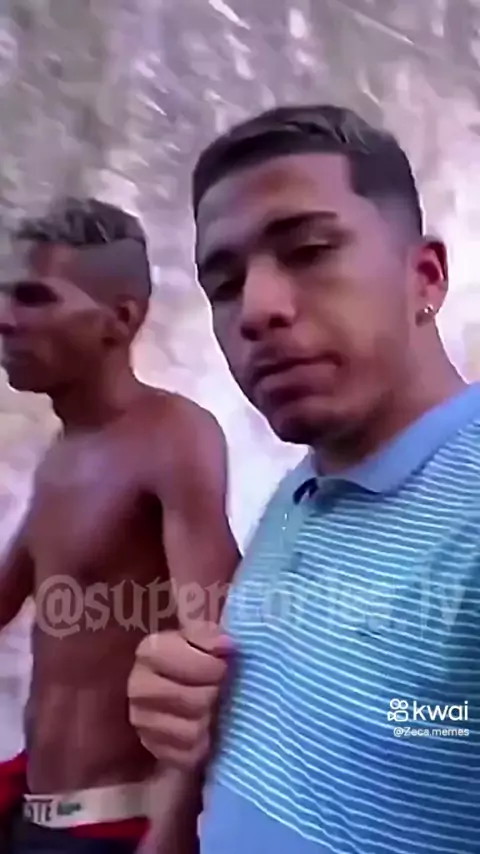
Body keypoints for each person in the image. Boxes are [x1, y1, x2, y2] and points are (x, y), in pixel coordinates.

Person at [128, 104, 480, 854]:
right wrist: (196, 719)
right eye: (224, 286)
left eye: (311, 250)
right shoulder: (298, 491)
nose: (256, 311)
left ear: (424, 276)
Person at [0, 197, 240, 853]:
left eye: (34, 298)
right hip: (31, 810)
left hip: (112, 830)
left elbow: (216, 652)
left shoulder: (175, 438)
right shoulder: (63, 453)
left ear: (121, 319)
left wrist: (169, 834)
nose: (5, 318)